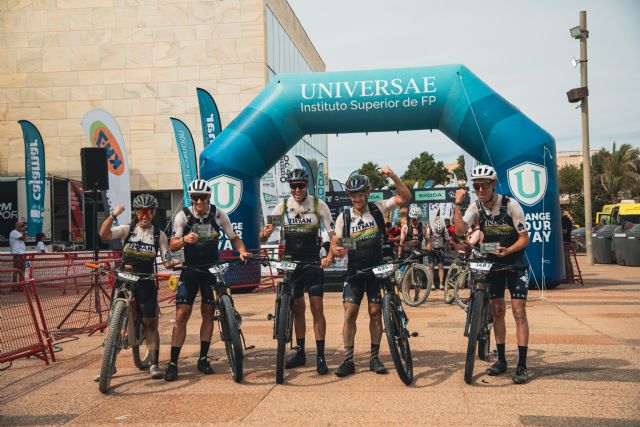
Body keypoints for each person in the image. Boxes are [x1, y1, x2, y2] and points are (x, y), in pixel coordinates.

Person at [166, 179, 251, 381]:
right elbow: (172, 245)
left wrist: (242, 251)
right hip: (191, 270)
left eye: (202, 198)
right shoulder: (183, 216)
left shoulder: (218, 214)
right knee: (181, 315)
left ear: (208, 198)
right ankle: (172, 363)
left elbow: (234, 237)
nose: (198, 202)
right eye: (194, 197)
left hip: (211, 270)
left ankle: (203, 358)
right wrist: (184, 240)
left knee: (207, 313)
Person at [454, 165, 531, 384]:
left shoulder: (511, 205)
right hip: (491, 261)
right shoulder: (476, 206)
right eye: (476, 186)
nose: (480, 190)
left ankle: (522, 365)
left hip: (514, 260)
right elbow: (460, 231)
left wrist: (508, 250)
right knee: (498, 310)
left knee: (518, 312)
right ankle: (502, 360)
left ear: (493, 185)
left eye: (484, 185)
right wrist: (458, 204)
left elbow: (524, 238)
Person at [331, 167, 411, 377]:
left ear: (367, 193)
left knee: (376, 314)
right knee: (350, 313)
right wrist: (336, 249)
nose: (357, 199)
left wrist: (393, 176)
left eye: (360, 194)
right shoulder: (344, 217)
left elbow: (405, 196)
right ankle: (348, 360)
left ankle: (374, 358)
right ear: (349, 196)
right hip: (355, 272)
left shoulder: (379, 208)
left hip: (377, 271)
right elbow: (336, 241)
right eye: (353, 195)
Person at [259, 168, 335, 375]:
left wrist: (328, 255)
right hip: (291, 263)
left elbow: (330, 234)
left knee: (317, 309)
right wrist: (265, 234)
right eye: (293, 186)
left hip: (312, 262)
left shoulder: (319, 205)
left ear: (307, 185)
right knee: (298, 308)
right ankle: (300, 351)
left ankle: (320, 355)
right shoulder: (283, 207)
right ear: (290, 187)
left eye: (301, 185)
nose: (297, 189)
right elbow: (264, 235)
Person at [99, 194, 170, 379]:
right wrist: (113, 215)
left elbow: (166, 257)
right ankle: (109, 365)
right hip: (124, 278)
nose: (144, 215)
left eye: (148, 211)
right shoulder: (127, 230)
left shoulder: (159, 235)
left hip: (145, 281)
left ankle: (154, 364)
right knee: (114, 318)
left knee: (150, 323)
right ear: (136, 212)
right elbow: (104, 234)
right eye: (141, 211)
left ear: (154, 213)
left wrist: (171, 262)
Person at [425, 218, 453, 290]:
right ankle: (432, 284)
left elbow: (447, 240)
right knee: (431, 266)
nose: (438, 234)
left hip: (440, 249)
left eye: (439, 233)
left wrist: (444, 247)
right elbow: (426, 240)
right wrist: (428, 247)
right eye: (437, 232)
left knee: (441, 265)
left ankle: (441, 284)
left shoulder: (444, 230)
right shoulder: (430, 230)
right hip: (431, 249)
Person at [561, 210, 574, 282]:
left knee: (565, 260)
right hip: (567, 241)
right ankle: (570, 277)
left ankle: (569, 278)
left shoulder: (564, 219)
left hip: (564, 241)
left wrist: (556, 230)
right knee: (568, 260)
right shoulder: (568, 219)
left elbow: (565, 231)